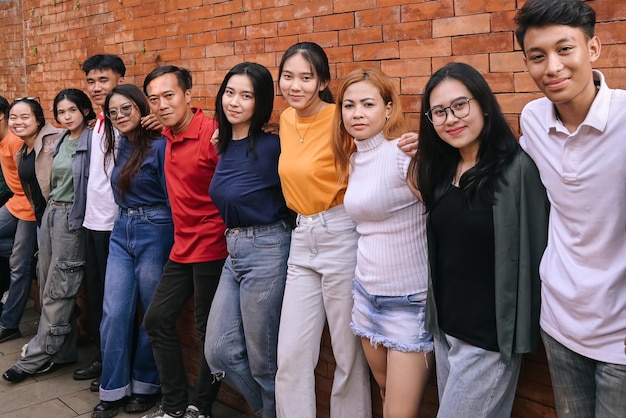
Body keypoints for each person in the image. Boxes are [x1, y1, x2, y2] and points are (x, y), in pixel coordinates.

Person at [274, 42, 417, 418]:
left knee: (347, 354)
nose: (296, 85)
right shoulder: (287, 120)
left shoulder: (343, 116)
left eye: (306, 77)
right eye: (288, 76)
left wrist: (419, 144)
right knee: (290, 354)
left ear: (322, 81)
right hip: (301, 236)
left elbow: (379, 148)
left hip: (339, 230)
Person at [408, 62, 549, 417]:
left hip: (488, 341)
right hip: (446, 332)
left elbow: (540, 250)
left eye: (460, 105)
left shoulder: (517, 170)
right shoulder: (442, 170)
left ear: (484, 104)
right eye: (439, 112)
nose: (451, 118)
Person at [514, 0, 626, 415]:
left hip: (620, 337)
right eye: (537, 56)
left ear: (593, 49)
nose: (552, 67)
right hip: (559, 322)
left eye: (565, 50)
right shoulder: (533, 119)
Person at [332, 68, 433, 417]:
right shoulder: (356, 158)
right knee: (386, 392)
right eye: (348, 105)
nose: (356, 113)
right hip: (366, 295)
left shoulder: (403, 153)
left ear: (388, 109)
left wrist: (433, 150)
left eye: (367, 104)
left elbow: (443, 205)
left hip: (409, 302)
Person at [204, 62, 291, 418]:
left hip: (269, 247)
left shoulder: (273, 146)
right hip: (234, 250)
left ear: (261, 103)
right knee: (218, 352)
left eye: (246, 95)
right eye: (229, 92)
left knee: (263, 362)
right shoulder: (222, 144)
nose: (234, 101)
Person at [142, 66, 227, 418]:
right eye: (154, 99)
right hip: (182, 247)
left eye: (169, 95)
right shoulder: (167, 131)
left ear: (189, 95)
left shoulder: (213, 136)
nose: (162, 104)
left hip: (212, 247)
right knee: (157, 318)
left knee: (209, 332)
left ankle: (199, 407)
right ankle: (174, 405)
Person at [91, 84, 173, 417]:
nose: (120, 116)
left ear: (141, 108)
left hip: (156, 227)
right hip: (121, 229)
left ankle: (146, 385)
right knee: (114, 312)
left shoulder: (160, 144)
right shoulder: (121, 143)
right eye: (113, 112)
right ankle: (112, 389)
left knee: (149, 313)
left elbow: (173, 195)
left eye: (127, 108)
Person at [2, 90, 94, 383]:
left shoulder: (82, 139)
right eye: (62, 112)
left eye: (73, 111)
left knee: (58, 287)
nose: (67, 117)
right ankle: (63, 351)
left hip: (71, 218)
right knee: (46, 284)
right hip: (49, 215)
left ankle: (38, 355)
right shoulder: (62, 139)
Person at [74, 54, 126, 388]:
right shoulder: (99, 122)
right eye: (91, 81)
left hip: (114, 225)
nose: (96, 87)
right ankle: (103, 357)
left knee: (112, 302)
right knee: (94, 297)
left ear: (120, 79)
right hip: (92, 222)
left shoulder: (126, 120)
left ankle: (113, 364)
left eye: (103, 80)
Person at [0, 95, 37, 343]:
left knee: (18, 267)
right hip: (15, 203)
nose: (17, 122)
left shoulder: (14, 141)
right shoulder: (3, 140)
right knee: (18, 258)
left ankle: (10, 324)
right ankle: (31, 259)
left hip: (30, 208)